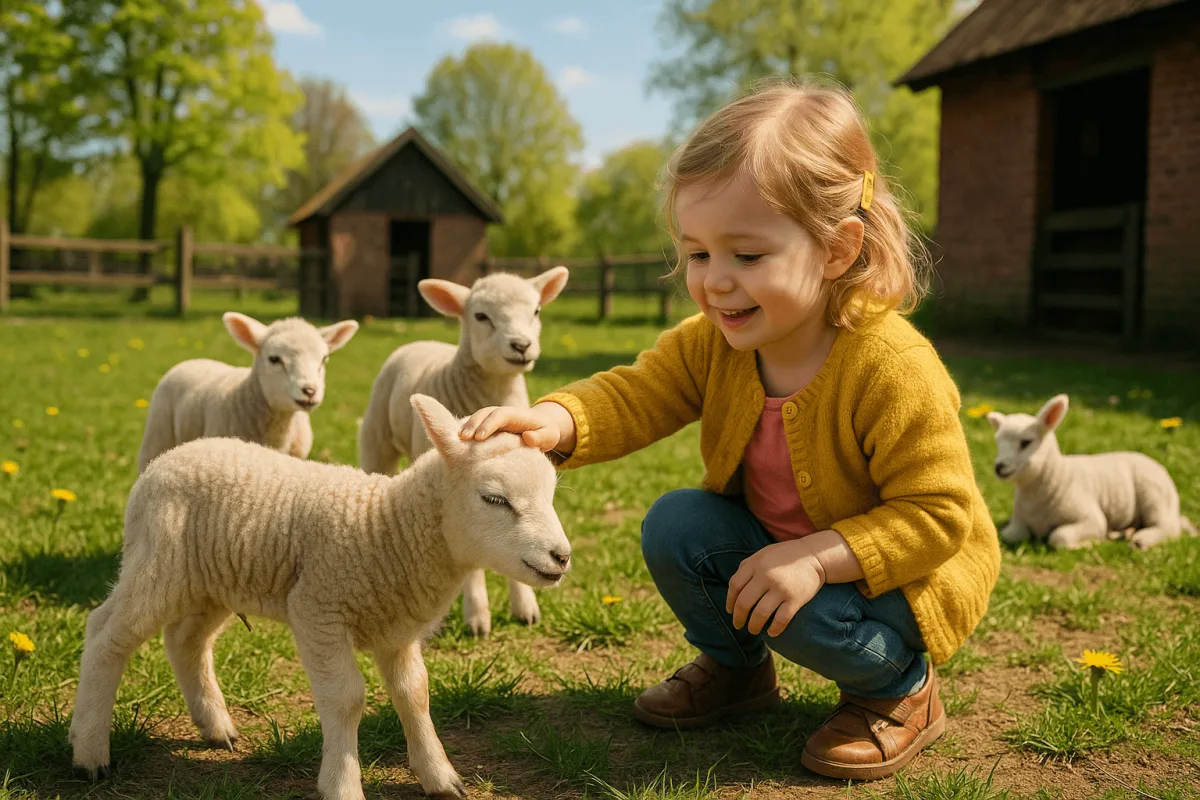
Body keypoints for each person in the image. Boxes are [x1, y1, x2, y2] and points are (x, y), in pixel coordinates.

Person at [458, 78, 1000, 781]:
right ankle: (739, 672)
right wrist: (554, 418)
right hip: (777, 558)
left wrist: (814, 559)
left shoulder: (891, 367)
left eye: (746, 255)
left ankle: (898, 691)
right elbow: (638, 393)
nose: (714, 281)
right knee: (679, 523)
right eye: (698, 253)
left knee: (800, 607)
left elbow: (940, 516)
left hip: (888, 590)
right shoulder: (714, 342)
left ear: (836, 251)